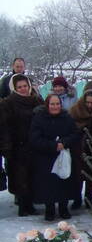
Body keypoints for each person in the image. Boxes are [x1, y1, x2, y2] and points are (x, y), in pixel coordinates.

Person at [30, 94, 80, 221]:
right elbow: (35, 138)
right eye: (52, 104)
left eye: (57, 104)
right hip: (45, 157)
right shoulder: (39, 118)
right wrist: (53, 145)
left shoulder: (67, 118)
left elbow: (75, 134)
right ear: (47, 105)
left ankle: (64, 208)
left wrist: (64, 143)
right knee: (48, 185)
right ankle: (50, 209)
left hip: (64, 155)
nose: (55, 106)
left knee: (64, 182)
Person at [0, 74, 43, 216]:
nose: (23, 89)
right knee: (19, 176)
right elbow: (4, 126)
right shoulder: (8, 103)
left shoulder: (36, 100)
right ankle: (22, 206)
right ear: (14, 88)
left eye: (25, 86)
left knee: (33, 175)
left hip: (34, 144)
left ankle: (30, 204)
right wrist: (6, 146)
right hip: (17, 145)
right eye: (20, 87)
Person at [68, 89, 92, 209]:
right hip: (77, 148)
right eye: (88, 102)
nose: (90, 105)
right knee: (77, 175)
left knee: (91, 175)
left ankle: (88, 198)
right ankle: (77, 198)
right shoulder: (74, 112)